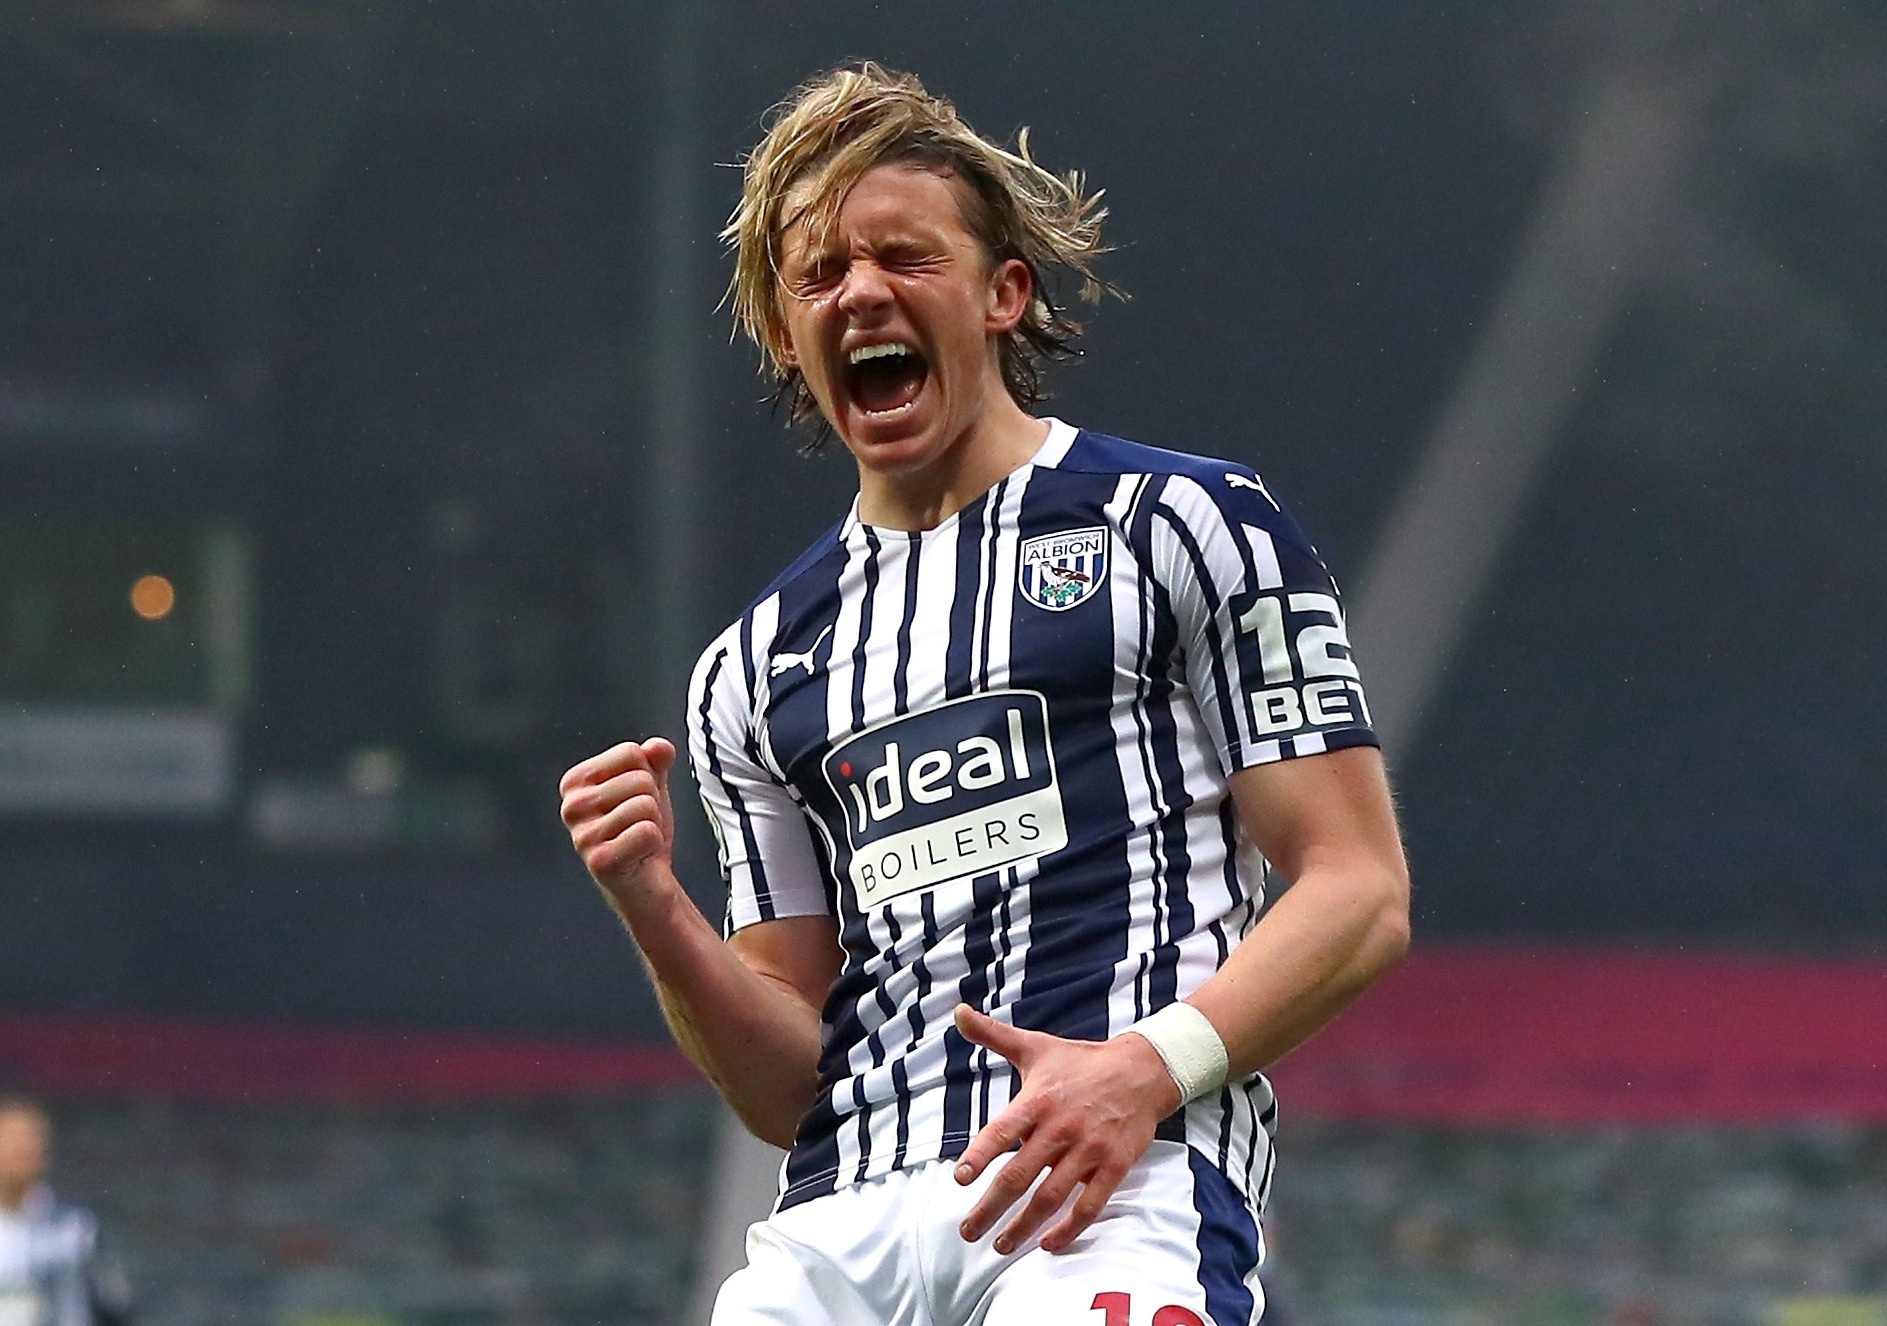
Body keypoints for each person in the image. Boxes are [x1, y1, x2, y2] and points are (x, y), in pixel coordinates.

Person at [560, 63, 1410, 1325]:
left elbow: (1359, 888)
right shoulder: (752, 667)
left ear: (1004, 293)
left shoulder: (1183, 523)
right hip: (840, 1230)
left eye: (904, 256)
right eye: (818, 275)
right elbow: (786, 1088)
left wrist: (1141, 1071)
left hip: (1111, 1186)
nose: (861, 291)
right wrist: (654, 907)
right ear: (785, 332)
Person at [0, 1096, 133, 1326]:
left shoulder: (76, 1227)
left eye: (34, 1137)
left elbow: (114, 1306)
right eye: (13, 1139)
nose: (25, 1147)